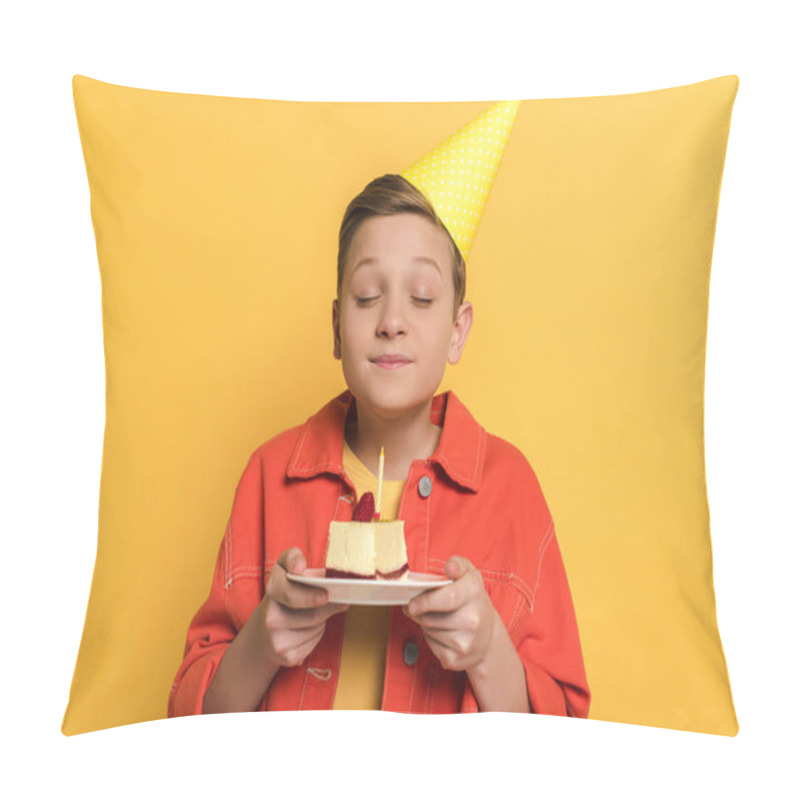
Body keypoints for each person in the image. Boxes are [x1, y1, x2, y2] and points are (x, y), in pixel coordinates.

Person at [169, 101, 590, 716]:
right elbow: (189, 722)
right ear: (337, 326)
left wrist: (488, 649)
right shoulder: (267, 476)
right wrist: (263, 640)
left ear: (457, 330)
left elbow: (568, 747)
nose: (392, 321)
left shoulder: (511, 488)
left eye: (421, 298)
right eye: (367, 296)